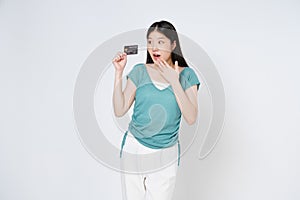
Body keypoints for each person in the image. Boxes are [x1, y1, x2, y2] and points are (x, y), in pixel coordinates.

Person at [112, 20, 200, 200]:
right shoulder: (139, 71)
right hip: (134, 148)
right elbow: (120, 110)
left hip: (165, 154)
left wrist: (174, 81)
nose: (154, 47)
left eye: (160, 42)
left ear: (173, 44)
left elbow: (191, 117)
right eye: (150, 42)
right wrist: (118, 73)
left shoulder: (187, 75)